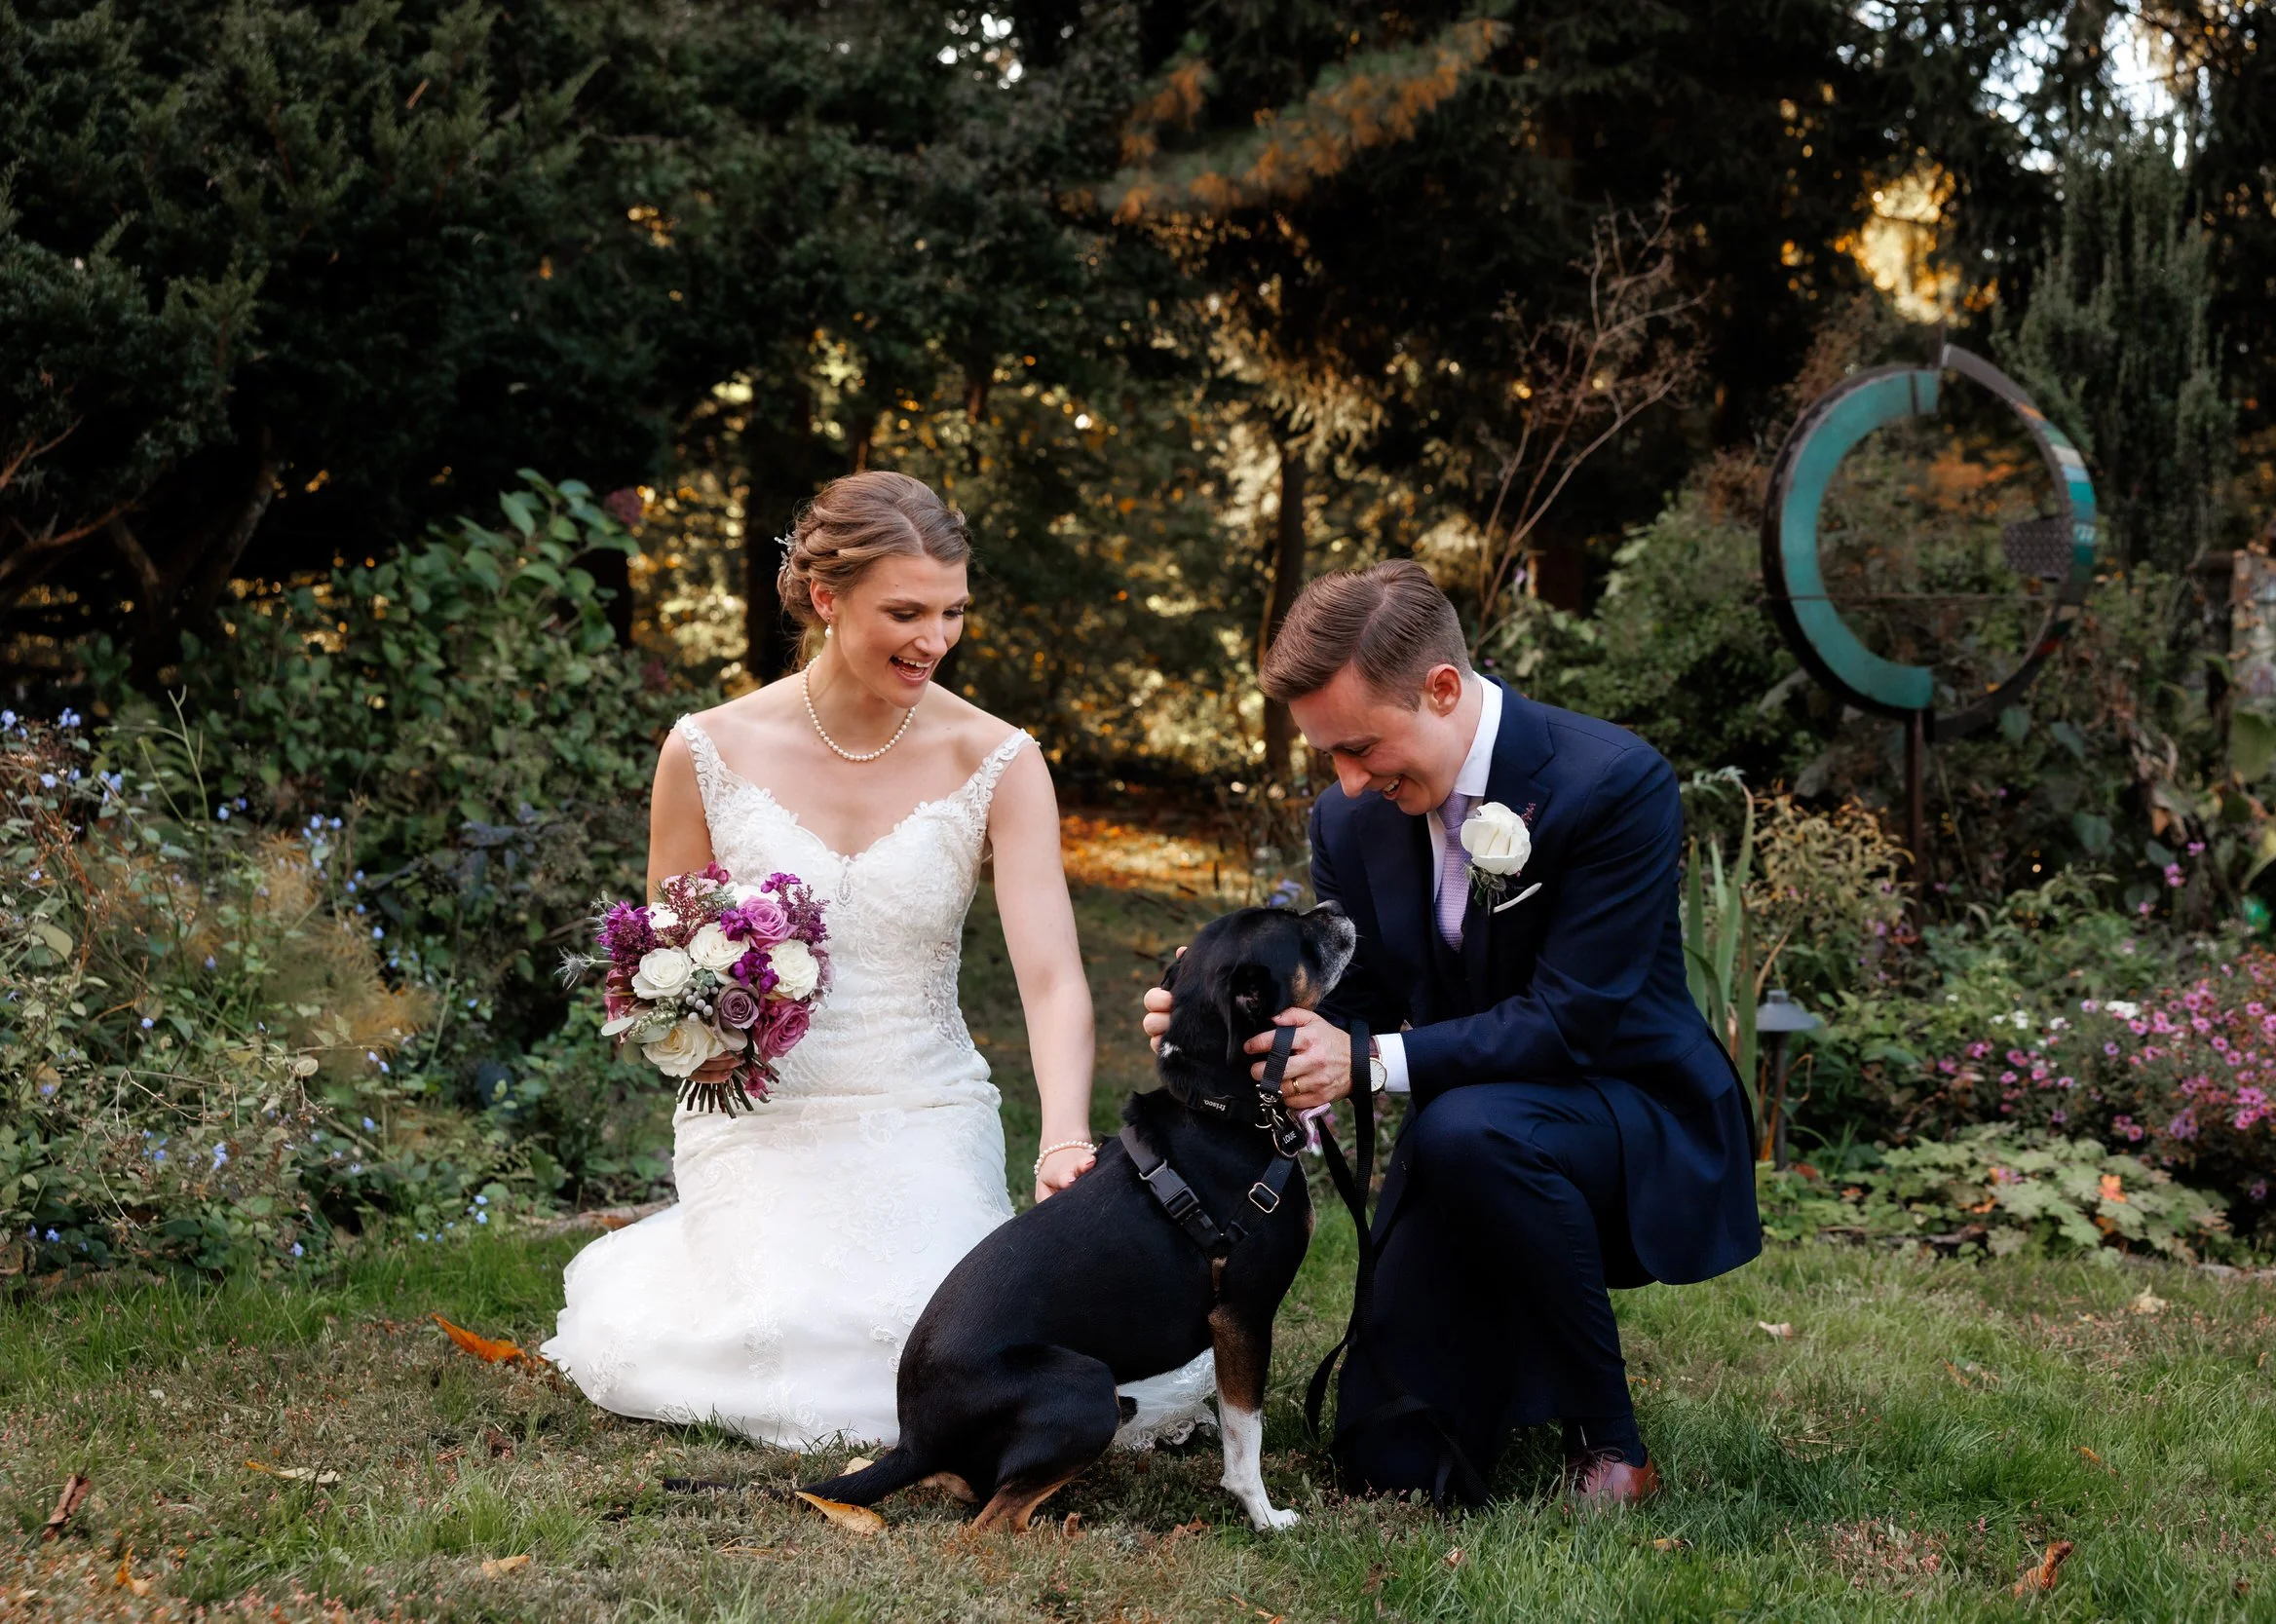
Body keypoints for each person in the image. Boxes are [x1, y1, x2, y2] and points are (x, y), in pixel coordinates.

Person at [543, 471, 1212, 1450]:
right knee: (787, 1328)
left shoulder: (999, 759)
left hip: (924, 1105)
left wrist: (1064, 1134)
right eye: (905, 611)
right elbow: (661, 961)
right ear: (826, 597)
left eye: (952, 612)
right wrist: (703, 1044)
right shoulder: (705, 751)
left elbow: (1052, 975)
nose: (933, 640)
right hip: (760, 1114)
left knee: (939, 1331)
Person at [1143, 560, 1760, 1505]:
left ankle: (1613, 1442)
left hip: (1626, 1108)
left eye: (1359, 747)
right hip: (1465, 1124)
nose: (1347, 783)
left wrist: (1370, 1061)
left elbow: (1573, 1016)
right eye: (1328, 758)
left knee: (1471, 1128)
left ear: (1440, 689)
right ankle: (1499, 1372)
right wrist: (1227, 1018)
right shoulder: (1349, 821)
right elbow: (1362, 996)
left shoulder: (1613, 782)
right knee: (1390, 1465)